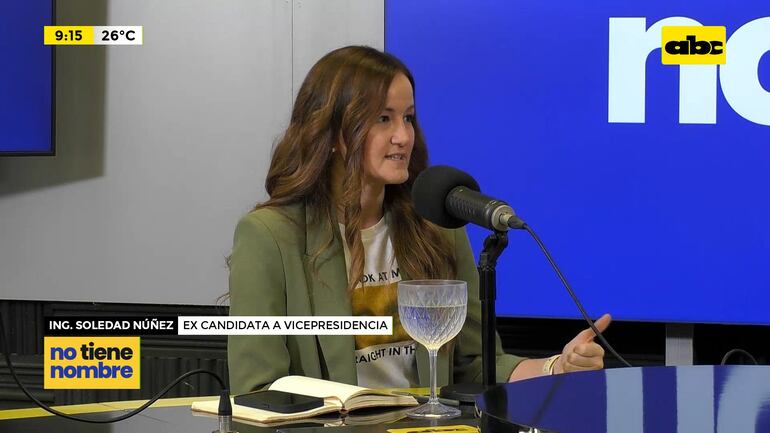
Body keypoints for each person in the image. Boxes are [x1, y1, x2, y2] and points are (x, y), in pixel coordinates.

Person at [227, 46, 610, 394]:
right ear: (333, 133)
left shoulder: (436, 227)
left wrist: (556, 367)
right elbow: (257, 391)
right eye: (383, 118)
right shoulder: (269, 237)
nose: (403, 136)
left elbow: (476, 364)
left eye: (408, 118)